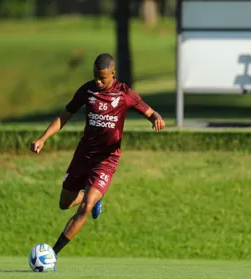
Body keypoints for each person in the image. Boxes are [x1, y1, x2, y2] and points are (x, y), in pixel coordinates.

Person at [31, 53, 165, 257]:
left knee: (85, 208)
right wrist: (43, 138)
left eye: (102, 77)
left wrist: (156, 118)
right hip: (84, 155)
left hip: (107, 160)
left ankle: (53, 254)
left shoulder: (124, 93)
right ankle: (91, 197)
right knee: (64, 203)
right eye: (95, 76)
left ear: (113, 74)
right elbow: (64, 116)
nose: (98, 81)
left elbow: (149, 111)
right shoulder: (87, 90)